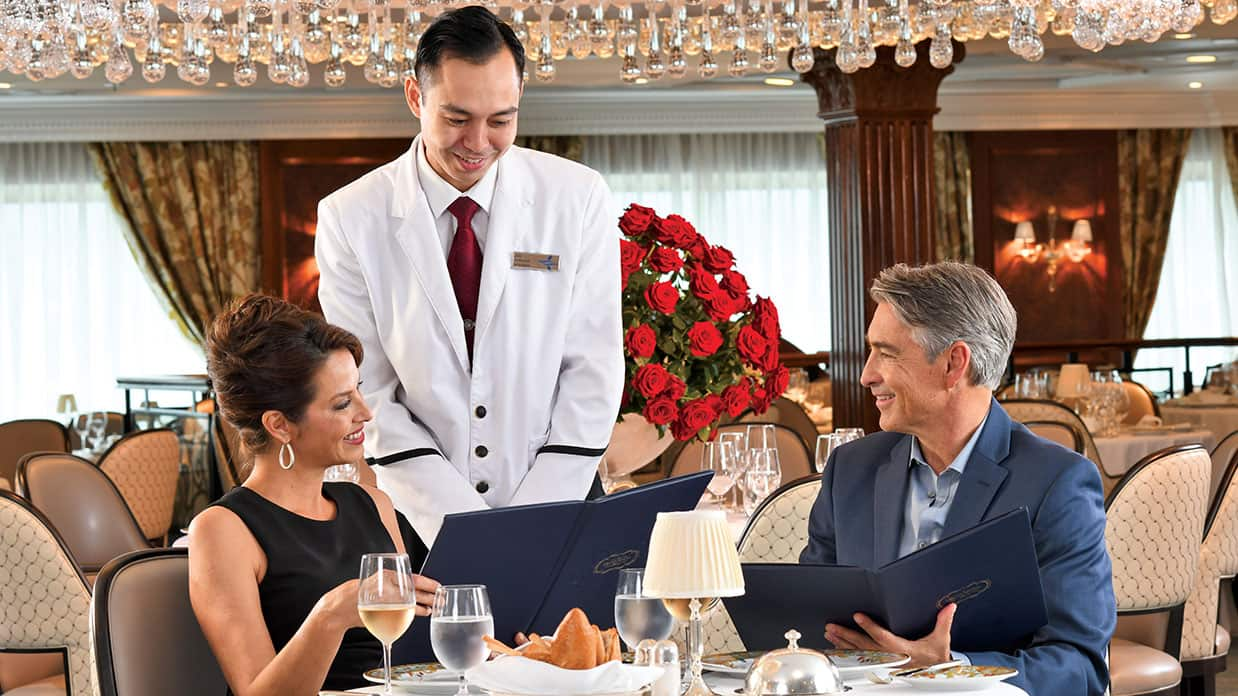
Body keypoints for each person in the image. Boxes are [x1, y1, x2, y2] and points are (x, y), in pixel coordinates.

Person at [315, 5, 623, 545]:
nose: (478, 142)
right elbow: (370, 391)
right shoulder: (351, 217)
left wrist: (532, 523)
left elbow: (593, 369)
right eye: (456, 119)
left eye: (501, 120)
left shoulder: (577, 197)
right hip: (418, 516)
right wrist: (466, 529)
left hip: (560, 502)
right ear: (416, 97)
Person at [800, 262, 1115, 696]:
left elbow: (1078, 668)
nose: (866, 375)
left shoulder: (1056, 483)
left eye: (886, 353)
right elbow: (803, 623)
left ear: (953, 363)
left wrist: (951, 669)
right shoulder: (850, 470)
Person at [189, 294, 440, 695]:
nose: (366, 412)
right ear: (280, 425)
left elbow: (410, 659)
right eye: (342, 403)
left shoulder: (374, 504)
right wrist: (332, 614)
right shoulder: (222, 530)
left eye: (358, 390)